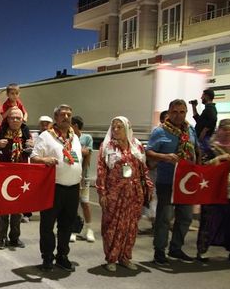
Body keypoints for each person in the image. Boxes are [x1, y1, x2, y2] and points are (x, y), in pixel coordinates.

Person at [96, 117, 153, 272]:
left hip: (134, 193)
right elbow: (101, 171)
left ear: (127, 128)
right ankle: (112, 258)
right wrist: (102, 193)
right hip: (114, 194)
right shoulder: (107, 147)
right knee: (112, 226)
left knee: (131, 226)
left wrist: (148, 187)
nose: (116, 130)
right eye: (113, 127)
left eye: (119, 127)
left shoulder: (137, 146)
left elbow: (143, 170)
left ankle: (125, 257)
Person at [31, 104, 83, 272]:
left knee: (66, 225)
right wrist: (44, 160)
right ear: (56, 118)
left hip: (73, 188)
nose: (66, 117)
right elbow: (33, 158)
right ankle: (47, 257)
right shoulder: (46, 136)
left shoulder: (74, 137)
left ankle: (62, 255)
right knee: (47, 225)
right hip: (53, 188)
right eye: (62, 115)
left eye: (69, 114)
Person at [146, 99, 198, 265]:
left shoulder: (190, 130)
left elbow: (196, 149)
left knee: (186, 217)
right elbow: (149, 152)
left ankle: (176, 249)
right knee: (164, 217)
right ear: (168, 113)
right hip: (167, 181)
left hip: (187, 182)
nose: (178, 115)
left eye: (182, 112)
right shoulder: (159, 131)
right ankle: (159, 251)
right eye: (175, 112)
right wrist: (164, 157)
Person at [196, 119, 230, 264]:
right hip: (215, 190)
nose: (227, 132)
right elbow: (203, 166)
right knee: (210, 220)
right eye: (224, 129)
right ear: (219, 130)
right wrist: (221, 158)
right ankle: (202, 250)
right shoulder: (210, 147)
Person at [0, 107, 33, 249]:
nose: (15, 120)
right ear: (7, 119)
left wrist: (31, 146)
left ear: (22, 119)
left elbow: (32, 151)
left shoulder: (25, 132)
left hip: (20, 175)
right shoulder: (0, 132)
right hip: (4, 175)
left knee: (17, 209)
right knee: (3, 208)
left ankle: (15, 238)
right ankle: (2, 238)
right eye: (12, 117)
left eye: (18, 118)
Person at [70, 115, 95, 243]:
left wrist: (82, 174)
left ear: (75, 125)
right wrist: (81, 151)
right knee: (73, 204)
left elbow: (88, 155)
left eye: (71, 124)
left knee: (85, 203)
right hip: (71, 175)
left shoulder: (87, 138)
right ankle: (73, 230)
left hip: (84, 176)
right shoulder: (69, 138)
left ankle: (89, 229)